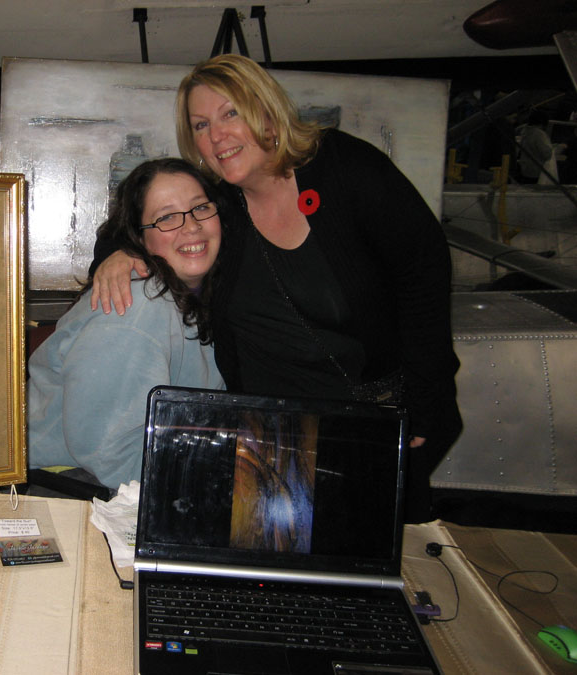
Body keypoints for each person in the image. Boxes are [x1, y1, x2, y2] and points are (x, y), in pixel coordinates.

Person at [90, 54, 462, 523]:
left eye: (230, 113)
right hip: (266, 442)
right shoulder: (218, 202)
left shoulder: (344, 166)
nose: (217, 135)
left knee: (369, 555)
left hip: (367, 429)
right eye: (201, 125)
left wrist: (425, 400)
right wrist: (117, 255)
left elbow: (423, 274)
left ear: (267, 112)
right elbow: (135, 221)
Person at [28, 158, 225, 490]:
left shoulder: (212, 297)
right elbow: (109, 453)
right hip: (68, 484)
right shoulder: (137, 307)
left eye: (200, 208)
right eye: (167, 217)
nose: (191, 226)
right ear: (139, 238)